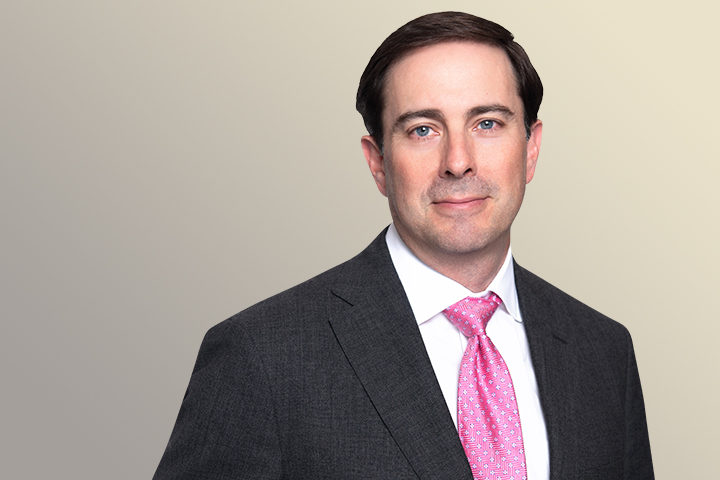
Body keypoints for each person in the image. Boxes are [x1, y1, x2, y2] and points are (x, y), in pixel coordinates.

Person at [153, 12, 653, 480]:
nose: (458, 161)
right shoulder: (262, 356)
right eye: (422, 130)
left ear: (531, 148)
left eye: (487, 123)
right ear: (377, 163)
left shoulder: (604, 352)